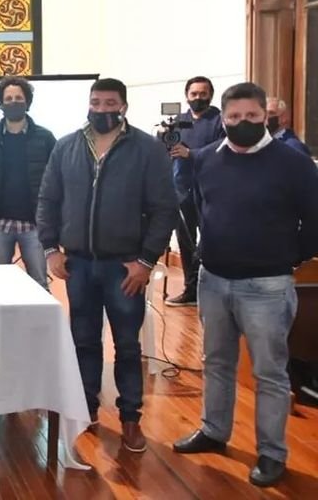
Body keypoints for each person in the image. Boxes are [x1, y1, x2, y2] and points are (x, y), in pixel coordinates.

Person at [173, 82, 318, 488]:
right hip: (214, 279)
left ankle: (272, 453)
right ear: (224, 118)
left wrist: (289, 256)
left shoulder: (293, 162)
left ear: (265, 116)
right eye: (234, 117)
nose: (243, 123)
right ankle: (214, 431)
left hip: (268, 285)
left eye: (252, 116)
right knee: (216, 362)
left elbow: (315, 220)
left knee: (270, 373)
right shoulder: (205, 159)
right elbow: (203, 208)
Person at [37, 78, 177, 453]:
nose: (101, 109)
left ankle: (131, 418)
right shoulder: (66, 147)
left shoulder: (146, 149)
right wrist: (51, 249)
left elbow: (165, 209)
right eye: (95, 102)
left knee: (128, 346)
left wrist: (146, 262)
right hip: (79, 265)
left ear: (124, 107)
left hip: (125, 269)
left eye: (109, 103)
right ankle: (87, 410)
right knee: (83, 340)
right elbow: (48, 199)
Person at [0, 76, 57, 287]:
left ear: (27, 102)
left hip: (35, 225)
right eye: (8, 98)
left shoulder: (45, 138)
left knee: (39, 283)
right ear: (1, 104)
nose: (13, 102)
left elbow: (56, 178)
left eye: (18, 98)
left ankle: (39, 322)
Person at [166, 76, 225, 307]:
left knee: (211, 239)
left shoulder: (219, 120)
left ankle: (211, 287)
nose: (198, 98)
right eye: (194, 94)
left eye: (203, 93)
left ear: (210, 95)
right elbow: (166, 147)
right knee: (185, 240)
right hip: (181, 188)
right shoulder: (178, 121)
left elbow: (222, 149)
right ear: (186, 96)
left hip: (210, 189)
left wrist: (192, 153)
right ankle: (191, 289)